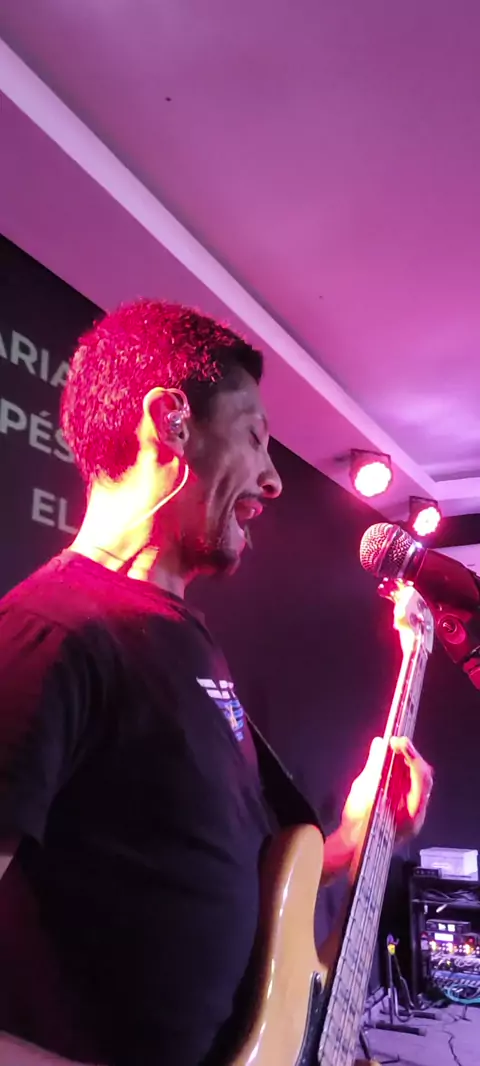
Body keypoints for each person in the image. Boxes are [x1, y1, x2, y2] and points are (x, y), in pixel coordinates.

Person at [0, 299, 433, 1066]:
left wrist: (351, 843)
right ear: (169, 422)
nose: (274, 479)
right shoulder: (50, 631)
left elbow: (203, 876)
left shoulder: (188, 640)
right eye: (255, 437)